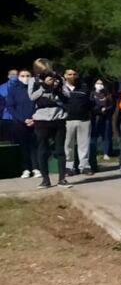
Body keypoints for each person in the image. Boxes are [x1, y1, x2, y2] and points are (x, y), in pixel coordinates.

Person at [29, 59, 72, 188]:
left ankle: (62, 179)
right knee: (43, 149)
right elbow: (32, 97)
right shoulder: (34, 81)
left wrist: (57, 86)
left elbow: (68, 96)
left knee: (60, 150)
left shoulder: (58, 79)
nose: (46, 72)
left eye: (47, 69)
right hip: (41, 120)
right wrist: (44, 86)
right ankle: (45, 180)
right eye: (43, 70)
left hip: (58, 118)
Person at [6, 69, 39, 178]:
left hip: (35, 121)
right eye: (23, 75)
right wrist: (23, 119)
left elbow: (38, 104)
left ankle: (36, 168)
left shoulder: (36, 87)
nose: (25, 77)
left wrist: (33, 118)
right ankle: (25, 169)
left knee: (35, 145)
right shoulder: (13, 89)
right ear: (19, 77)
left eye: (28, 75)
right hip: (19, 123)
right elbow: (11, 107)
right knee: (23, 146)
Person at [62, 68, 94, 175]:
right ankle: (69, 167)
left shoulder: (84, 87)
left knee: (84, 144)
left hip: (84, 119)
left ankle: (84, 166)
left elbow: (91, 102)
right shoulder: (61, 88)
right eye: (69, 74)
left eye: (74, 74)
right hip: (67, 120)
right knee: (68, 145)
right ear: (65, 76)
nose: (72, 76)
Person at [91, 78, 115, 160]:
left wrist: (106, 109)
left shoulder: (107, 95)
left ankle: (106, 153)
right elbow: (90, 105)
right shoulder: (92, 94)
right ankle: (94, 153)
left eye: (101, 83)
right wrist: (97, 109)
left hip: (106, 117)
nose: (99, 85)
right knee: (94, 136)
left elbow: (111, 106)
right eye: (97, 83)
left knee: (106, 136)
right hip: (95, 118)